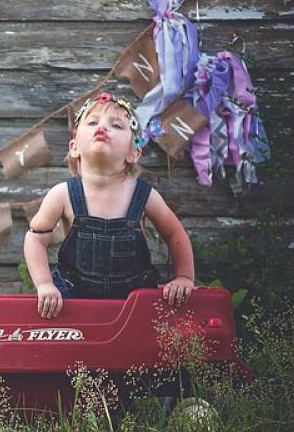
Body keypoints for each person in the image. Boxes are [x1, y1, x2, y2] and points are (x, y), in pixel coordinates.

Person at [24, 92, 195, 319]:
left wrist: (184, 277)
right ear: (74, 146)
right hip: (73, 297)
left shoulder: (144, 196)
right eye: (93, 122)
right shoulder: (62, 195)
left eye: (116, 125)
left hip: (134, 299)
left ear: (133, 153)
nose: (102, 127)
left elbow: (174, 232)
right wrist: (44, 284)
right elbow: (35, 237)